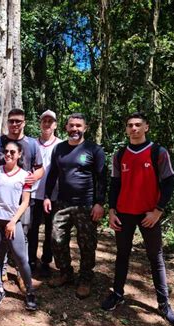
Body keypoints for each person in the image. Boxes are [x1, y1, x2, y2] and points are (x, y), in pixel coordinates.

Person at [101, 112, 174, 326]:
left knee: (156, 257)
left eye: (138, 125)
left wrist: (158, 210)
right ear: (126, 129)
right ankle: (117, 294)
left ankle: (163, 303)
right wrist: (112, 210)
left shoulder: (158, 152)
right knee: (122, 255)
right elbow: (115, 184)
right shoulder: (119, 154)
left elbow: (169, 182)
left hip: (149, 214)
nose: (133, 128)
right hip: (124, 213)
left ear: (146, 127)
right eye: (129, 125)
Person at [43, 113, 107, 299]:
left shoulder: (94, 150)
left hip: (86, 205)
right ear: (66, 128)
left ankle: (85, 278)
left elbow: (101, 178)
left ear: (85, 128)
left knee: (87, 244)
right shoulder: (59, 149)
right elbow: (53, 174)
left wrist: (99, 203)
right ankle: (65, 272)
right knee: (56, 238)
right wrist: (47, 196)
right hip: (62, 203)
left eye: (78, 126)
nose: (74, 129)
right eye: (71, 126)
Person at [0, 108, 44, 290]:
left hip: (22, 201)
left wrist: (35, 177)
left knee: (20, 237)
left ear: (24, 123)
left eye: (18, 121)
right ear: (7, 123)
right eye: (11, 121)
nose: (15, 124)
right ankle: (0, 273)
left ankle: (20, 274)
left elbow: (40, 168)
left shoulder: (32, 144)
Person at [0, 141, 37, 311]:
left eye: (13, 152)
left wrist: (13, 221)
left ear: (19, 154)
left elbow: (25, 201)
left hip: (12, 220)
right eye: (6, 151)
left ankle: (29, 291)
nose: (9, 154)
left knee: (21, 257)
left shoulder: (25, 175)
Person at [26, 109, 62, 275]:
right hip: (33, 194)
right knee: (32, 229)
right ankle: (30, 260)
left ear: (55, 124)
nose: (47, 124)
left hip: (53, 195)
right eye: (44, 121)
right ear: (40, 123)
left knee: (50, 230)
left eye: (50, 121)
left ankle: (46, 261)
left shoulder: (61, 145)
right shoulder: (31, 144)